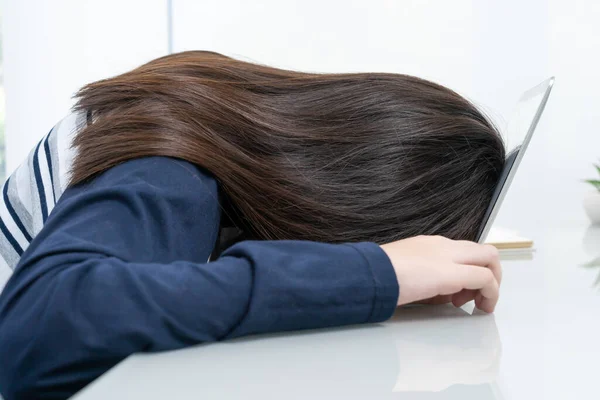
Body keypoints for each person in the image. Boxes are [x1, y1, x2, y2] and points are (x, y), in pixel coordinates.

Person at [0, 51, 504, 399]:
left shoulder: (204, 124)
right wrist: (372, 273)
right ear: (353, 206)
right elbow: (38, 328)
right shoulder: (173, 170)